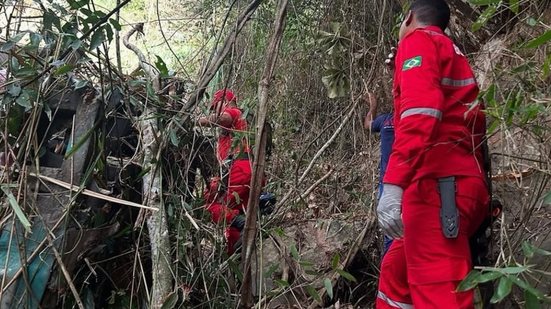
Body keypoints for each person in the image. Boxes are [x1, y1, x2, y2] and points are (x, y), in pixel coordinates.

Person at [375, 1, 489, 308]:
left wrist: (394, 184)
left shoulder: (417, 41)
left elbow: (420, 114)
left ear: (409, 17)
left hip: (438, 189)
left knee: (438, 291)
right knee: (395, 278)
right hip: (459, 185)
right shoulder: (450, 50)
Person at [197, 88, 252, 254]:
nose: (214, 110)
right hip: (246, 172)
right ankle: (236, 254)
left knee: (207, 204)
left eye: (216, 106)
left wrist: (194, 120)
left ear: (225, 101)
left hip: (238, 169)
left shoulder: (234, 112)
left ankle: (243, 224)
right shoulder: (242, 123)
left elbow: (222, 119)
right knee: (234, 221)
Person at [363, 91, 394, 254]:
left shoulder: (386, 120)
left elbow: (368, 124)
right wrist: (373, 106)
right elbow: (368, 125)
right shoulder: (388, 120)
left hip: (390, 182)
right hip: (398, 181)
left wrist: (373, 107)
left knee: (391, 230)